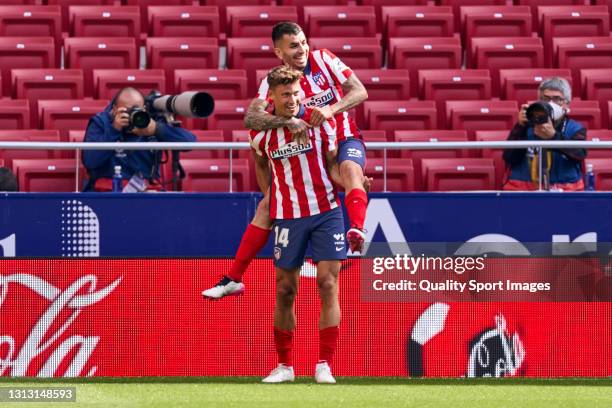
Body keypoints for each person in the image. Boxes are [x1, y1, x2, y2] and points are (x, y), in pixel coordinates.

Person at [202, 21, 368, 299]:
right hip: (308, 150)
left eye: (304, 42)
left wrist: (330, 109)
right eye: (294, 46)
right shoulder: (274, 82)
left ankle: (358, 229)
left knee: (350, 170)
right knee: (268, 206)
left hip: (342, 138)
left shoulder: (324, 59)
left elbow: (359, 91)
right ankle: (233, 278)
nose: (302, 49)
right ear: (278, 52)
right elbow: (252, 118)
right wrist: (289, 121)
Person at [247, 65, 344, 384]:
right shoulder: (262, 135)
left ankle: (324, 365)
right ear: (271, 97)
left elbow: (332, 166)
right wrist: (270, 200)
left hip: (327, 211)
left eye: (296, 92)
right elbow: (261, 165)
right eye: (285, 94)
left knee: (328, 284)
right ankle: (285, 366)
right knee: (285, 290)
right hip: (288, 216)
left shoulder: (320, 122)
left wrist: (354, 183)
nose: (292, 99)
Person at [82, 87, 196, 192]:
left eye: (137, 110)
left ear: (144, 109)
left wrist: (157, 129)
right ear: (114, 109)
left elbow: (190, 143)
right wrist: (114, 130)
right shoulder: (101, 123)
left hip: (146, 191)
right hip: (110, 191)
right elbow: (90, 161)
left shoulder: (150, 122)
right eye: (126, 111)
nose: (132, 116)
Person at [503, 77, 587, 191]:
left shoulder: (575, 128)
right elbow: (509, 158)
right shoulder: (527, 125)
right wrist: (520, 127)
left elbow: (580, 155)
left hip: (564, 191)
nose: (551, 103)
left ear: (567, 104)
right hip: (525, 191)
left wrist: (553, 137)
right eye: (546, 98)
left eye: (557, 99)